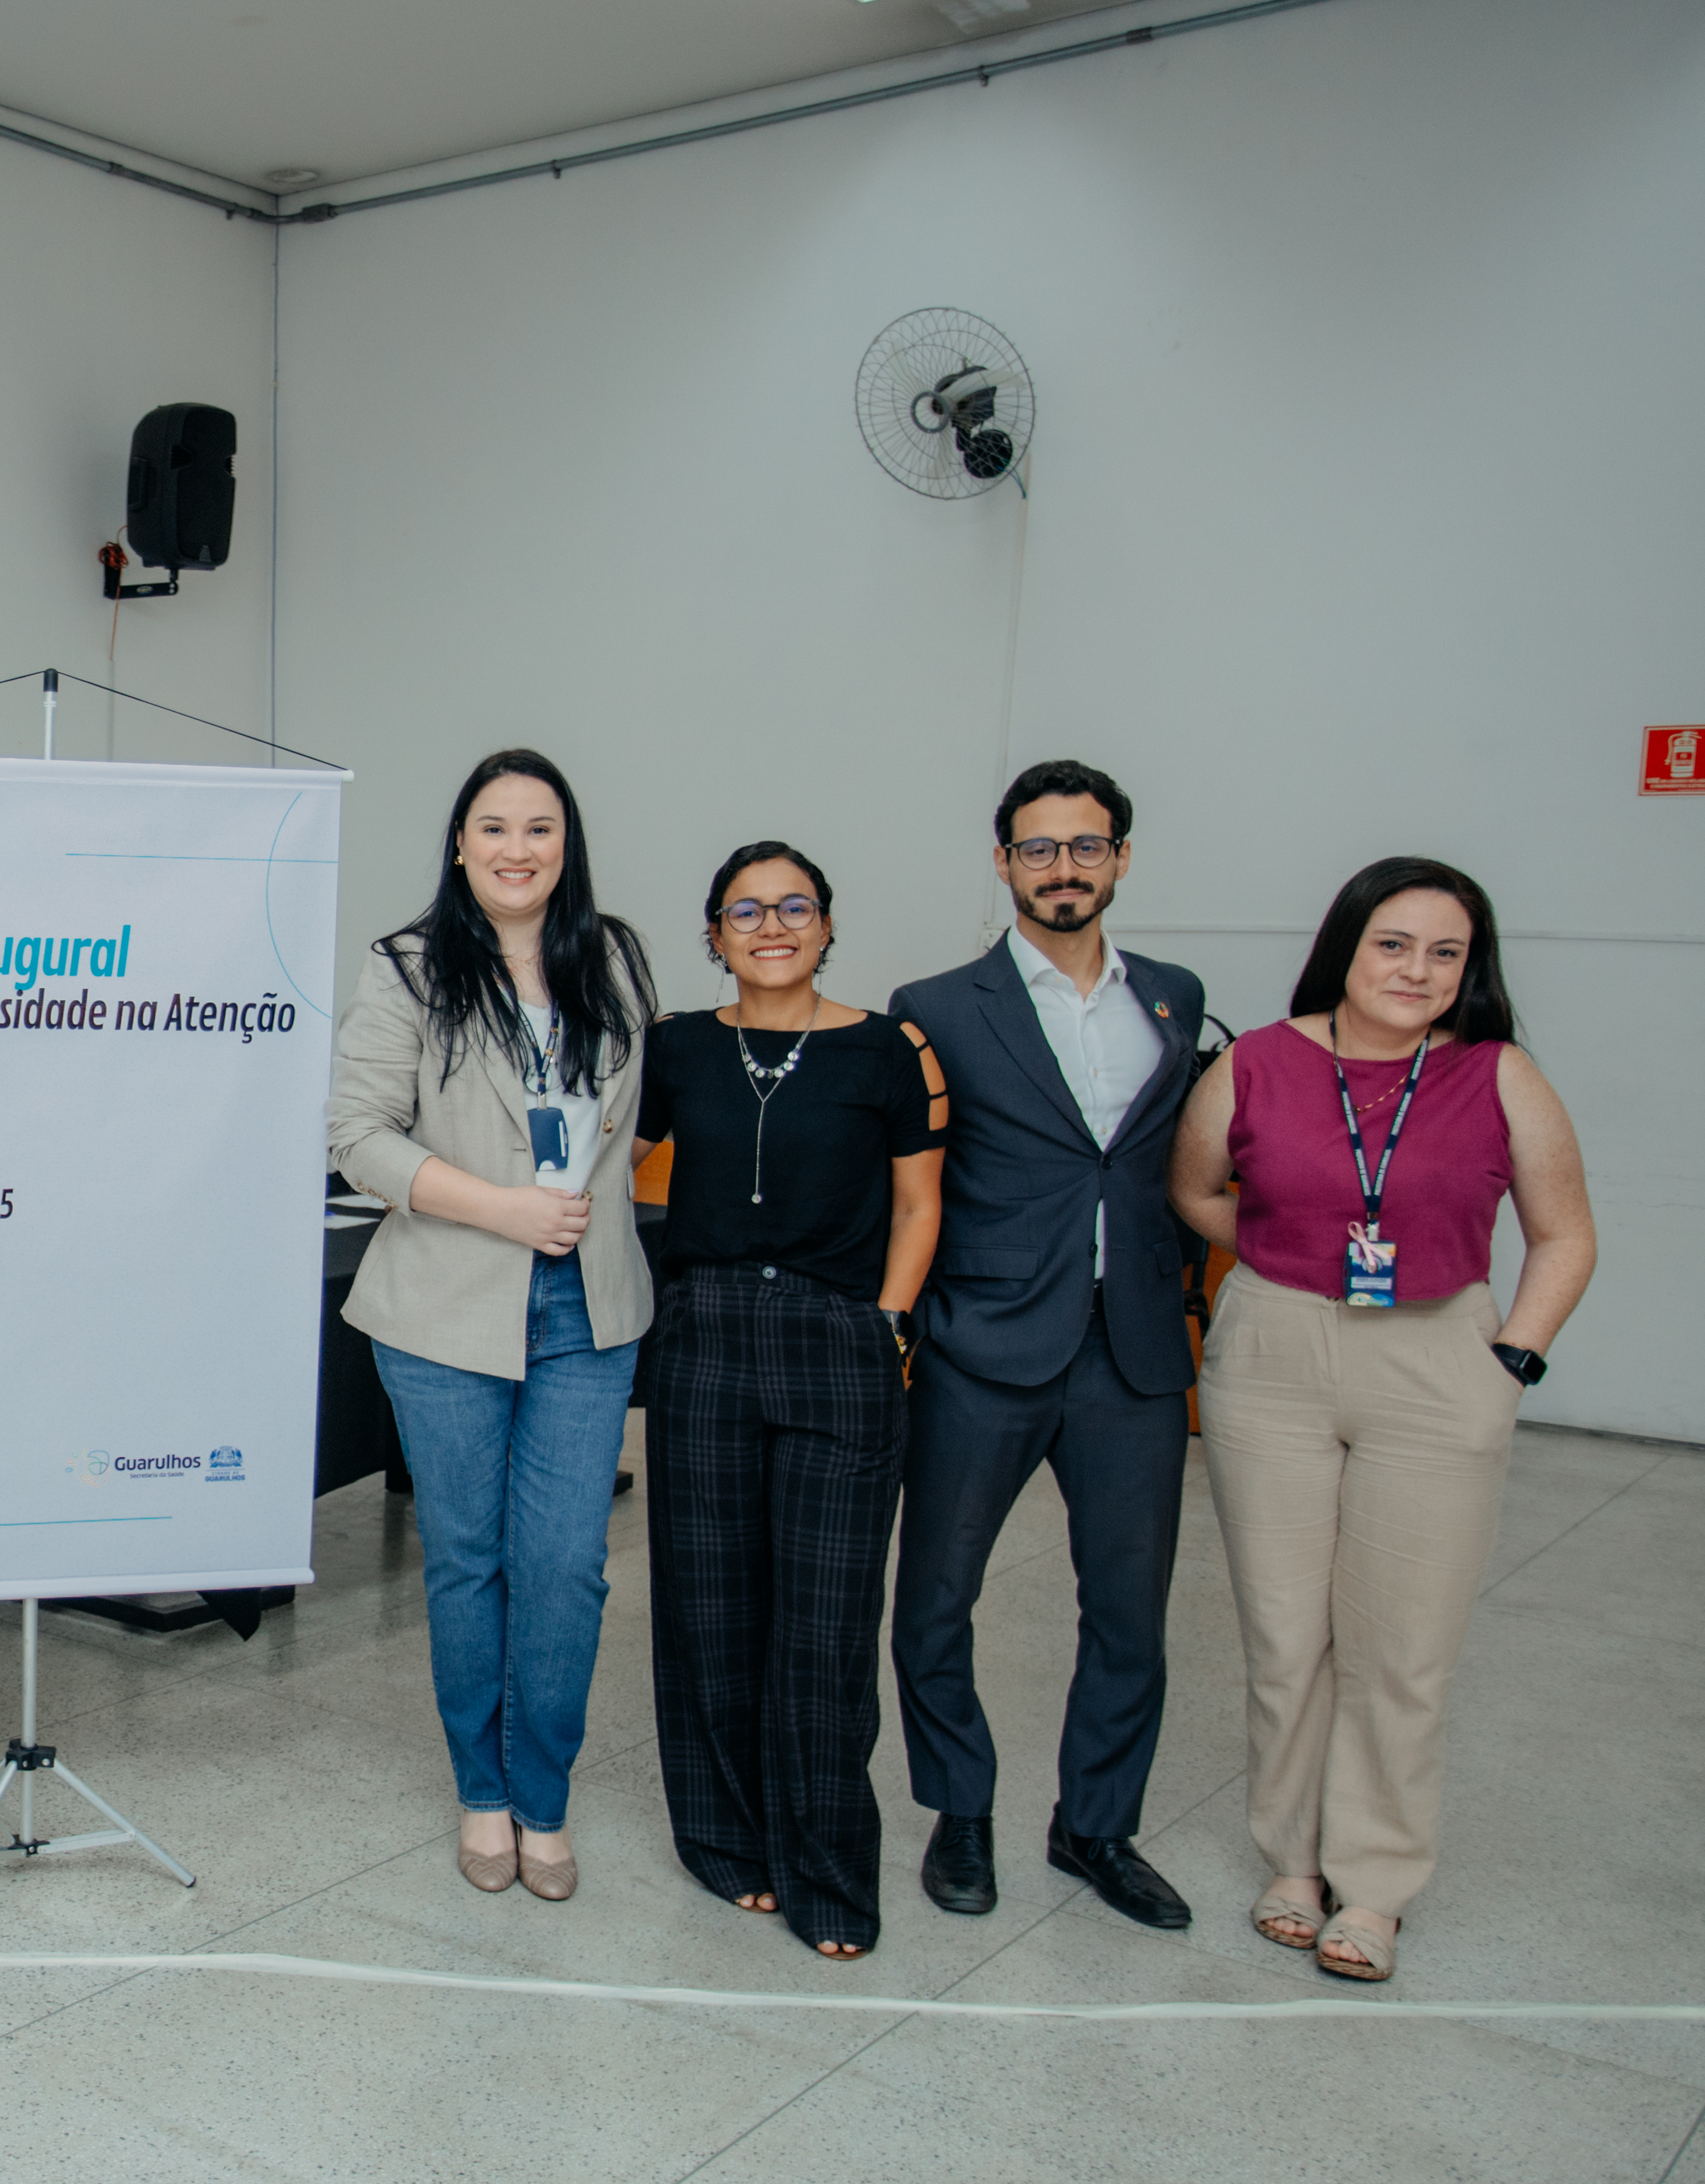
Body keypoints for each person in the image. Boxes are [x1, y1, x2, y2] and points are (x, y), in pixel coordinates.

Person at [1171, 858, 1592, 1985]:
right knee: (1283, 1630)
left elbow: (1564, 1234)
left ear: (1471, 970)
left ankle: (1378, 1885)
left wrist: (1508, 1359)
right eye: (1394, 944)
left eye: (1445, 953)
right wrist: (1278, 1256)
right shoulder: (1259, 1060)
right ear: (1347, 946)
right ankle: (1294, 1864)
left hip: (1438, 1355)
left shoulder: (1502, 1076)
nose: (1417, 971)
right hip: (1273, 1355)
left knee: (1402, 1645)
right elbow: (1197, 1189)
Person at [326, 749, 656, 1904]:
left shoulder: (610, 956)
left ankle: (543, 1797)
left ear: (567, 846)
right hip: (446, 1304)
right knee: (469, 1561)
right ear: (460, 844)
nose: (519, 849)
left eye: (541, 828)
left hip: (588, 1302)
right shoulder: (409, 967)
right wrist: (502, 1205)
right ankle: (481, 1790)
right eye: (494, 826)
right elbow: (356, 1134)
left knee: (565, 1566)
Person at [886, 760, 1204, 1930]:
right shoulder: (934, 1003)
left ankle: (1096, 1826)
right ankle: (959, 1809)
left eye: (1085, 847)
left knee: (1130, 1609)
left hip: (1132, 1354)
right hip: (985, 1341)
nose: (1062, 868)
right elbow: (909, 1180)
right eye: (1038, 848)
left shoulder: (1172, 993)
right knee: (935, 1597)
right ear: (1003, 859)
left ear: (1120, 856)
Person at [635, 844, 945, 1960]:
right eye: (746, 910)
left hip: (838, 1338)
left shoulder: (886, 1048)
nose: (773, 924)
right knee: (710, 1606)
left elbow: (919, 1203)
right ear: (714, 933)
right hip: (706, 1335)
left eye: (795, 906)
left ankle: (826, 1868)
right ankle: (728, 1843)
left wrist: (890, 1323)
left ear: (827, 925)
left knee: (824, 1624)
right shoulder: (674, 1047)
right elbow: (608, 1156)